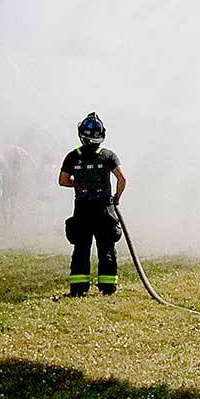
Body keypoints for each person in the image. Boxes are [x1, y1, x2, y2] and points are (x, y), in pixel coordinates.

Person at [58, 112, 127, 296]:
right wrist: (116, 198)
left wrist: (78, 183)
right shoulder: (108, 156)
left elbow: (63, 180)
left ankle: (79, 288)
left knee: (81, 248)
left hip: (82, 210)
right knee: (106, 248)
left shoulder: (73, 156)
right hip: (104, 209)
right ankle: (108, 287)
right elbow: (122, 178)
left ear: (81, 134)